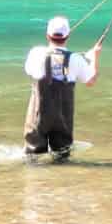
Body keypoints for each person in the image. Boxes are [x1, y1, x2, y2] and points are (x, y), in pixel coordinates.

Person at [23, 15, 101, 161]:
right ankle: (61, 182)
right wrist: (94, 56)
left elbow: (29, 71)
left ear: (47, 35)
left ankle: (35, 182)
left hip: (38, 115)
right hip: (63, 119)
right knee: (62, 157)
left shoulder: (36, 53)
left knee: (32, 158)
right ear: (68, 36)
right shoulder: (76, 59)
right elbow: (91, 80)